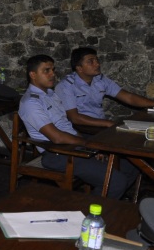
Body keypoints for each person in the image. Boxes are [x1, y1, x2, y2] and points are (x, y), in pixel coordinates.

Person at [19, 54, 138, 199]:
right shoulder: (31, 103)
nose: (52, 74)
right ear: (33, 75)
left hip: (72, 145)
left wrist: (86, 143)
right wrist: (89, 145)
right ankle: (90, 210)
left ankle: (110, 199)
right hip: (56, 153)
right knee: (116, 181)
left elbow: (66, 126)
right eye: (46, 71)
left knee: (131, 164)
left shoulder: (50, 94)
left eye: (53, 70)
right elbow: (57, 137)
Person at [55, 47, 154, 128]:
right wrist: (108, 124)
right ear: (79, 68)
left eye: (97, 60)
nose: (97, 64)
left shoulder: (100, 80)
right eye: (91, 61)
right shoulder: (66, 86)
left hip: (100, 125)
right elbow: (75, 118)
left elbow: (128, 97)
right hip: (80, 129)